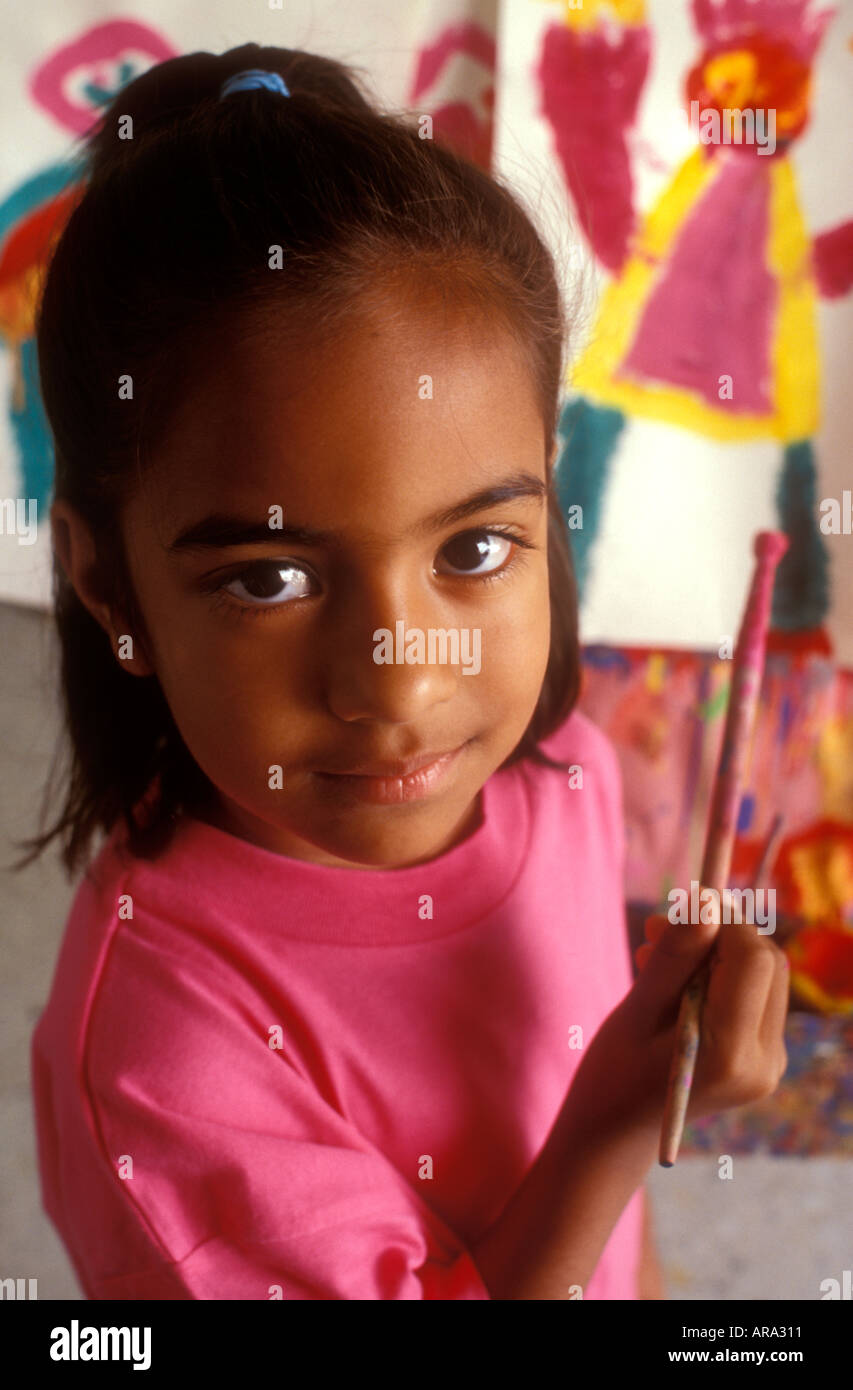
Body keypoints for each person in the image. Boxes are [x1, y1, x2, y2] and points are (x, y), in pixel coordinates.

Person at [20, 43, 788, 1300]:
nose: (400, 682)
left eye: (477, 546)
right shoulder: (159, 1059)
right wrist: (606, 1129)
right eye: (268, 577)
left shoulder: (567, 776)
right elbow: (572, 1157)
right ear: (110, 584)